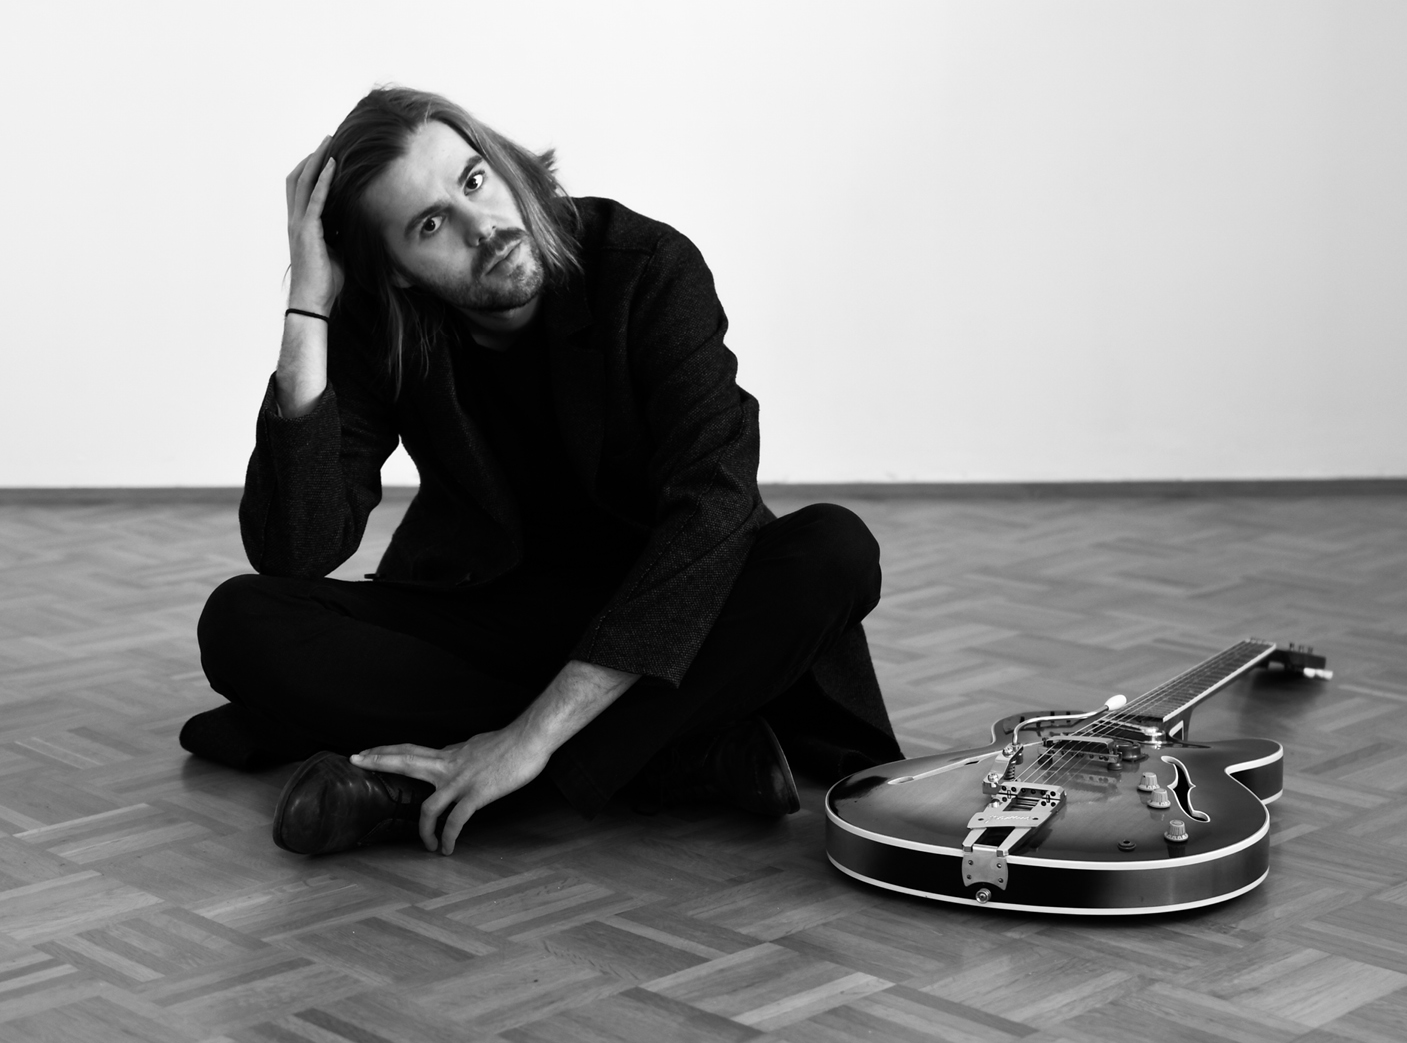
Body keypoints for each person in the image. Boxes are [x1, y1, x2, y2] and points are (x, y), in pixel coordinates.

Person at [183, 86, 901, 856]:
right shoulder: (386, 324)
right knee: (241, 620)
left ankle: (478, 778)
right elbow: (295, 549)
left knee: (834, 551)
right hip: (500, 608)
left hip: (670, 604)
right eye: (430, 225)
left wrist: (529, 737)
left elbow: (713, 508)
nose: (482, 226)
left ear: (501, 163)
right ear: (395, 273)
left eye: (474, 180)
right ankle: (672, 752)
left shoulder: (646, 268)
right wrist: (309, 304)